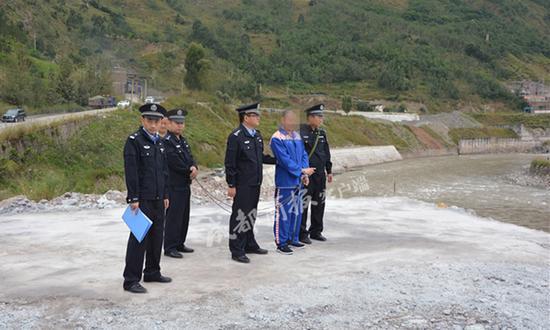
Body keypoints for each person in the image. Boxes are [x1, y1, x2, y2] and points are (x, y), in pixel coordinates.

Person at [122, 103, 172, 294]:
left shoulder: (159, 142)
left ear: (161, 122)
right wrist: (133, 197)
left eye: (156, 121)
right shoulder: (134, 141)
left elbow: (163, 172)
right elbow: (131, 172)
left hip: (159, 198)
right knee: (138, 238)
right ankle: (131, 279)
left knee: (156, 237)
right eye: (149, 120)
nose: (153, 125)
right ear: (142, 120)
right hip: (141, 199)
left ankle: (152, 271)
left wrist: (166, 194)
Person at [224, 102, 276, 263]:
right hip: (242, 184)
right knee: (240, 215)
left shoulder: (256, 135)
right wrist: (231, 184)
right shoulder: (236, 136)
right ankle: (237, 249)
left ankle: (249, 243)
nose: (258, 117)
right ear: (246, 118)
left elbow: (260, 157)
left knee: (251, 214)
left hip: (255, 182)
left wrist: (279, 160)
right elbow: (230, 163)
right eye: (255, 115)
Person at [270, 110, 315, 255]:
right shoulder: (277, 138)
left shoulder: (297, 136)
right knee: (283, 213)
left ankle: (293, 238)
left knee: (296, 212)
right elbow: (285, 161)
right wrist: (302, 171)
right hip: (285, 182)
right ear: (283, 120)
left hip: (298, 181)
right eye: (290, 119)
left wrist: (304, 173)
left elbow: (303, 155)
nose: (293, 123)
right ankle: (281, 243)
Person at [163, 108, 198, 259]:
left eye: (182, 123)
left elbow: (190, 157)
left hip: (185, 184)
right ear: (169, 123)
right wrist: (188, 170)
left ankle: (179, 242)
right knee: (174, 217)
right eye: (176, 123)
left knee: (184, 216)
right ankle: (170, 246)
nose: (180, 126)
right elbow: (174, 162)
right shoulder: (167, 142)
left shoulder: (182, 140)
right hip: (173, 185)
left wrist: (194, 167)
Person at [299, 104, 333, 243]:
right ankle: (302, 233)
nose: (321, 119)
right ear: (310, 117)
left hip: (320, 174)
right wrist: (301, 172)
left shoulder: (322, 133)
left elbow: (326, 153)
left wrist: (329, 170)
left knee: (319, 203)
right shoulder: (300, 132)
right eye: (319, 116)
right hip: (307, 175)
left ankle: (316, 231)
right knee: (304, 204)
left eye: (321, 116)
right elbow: (298, 154)